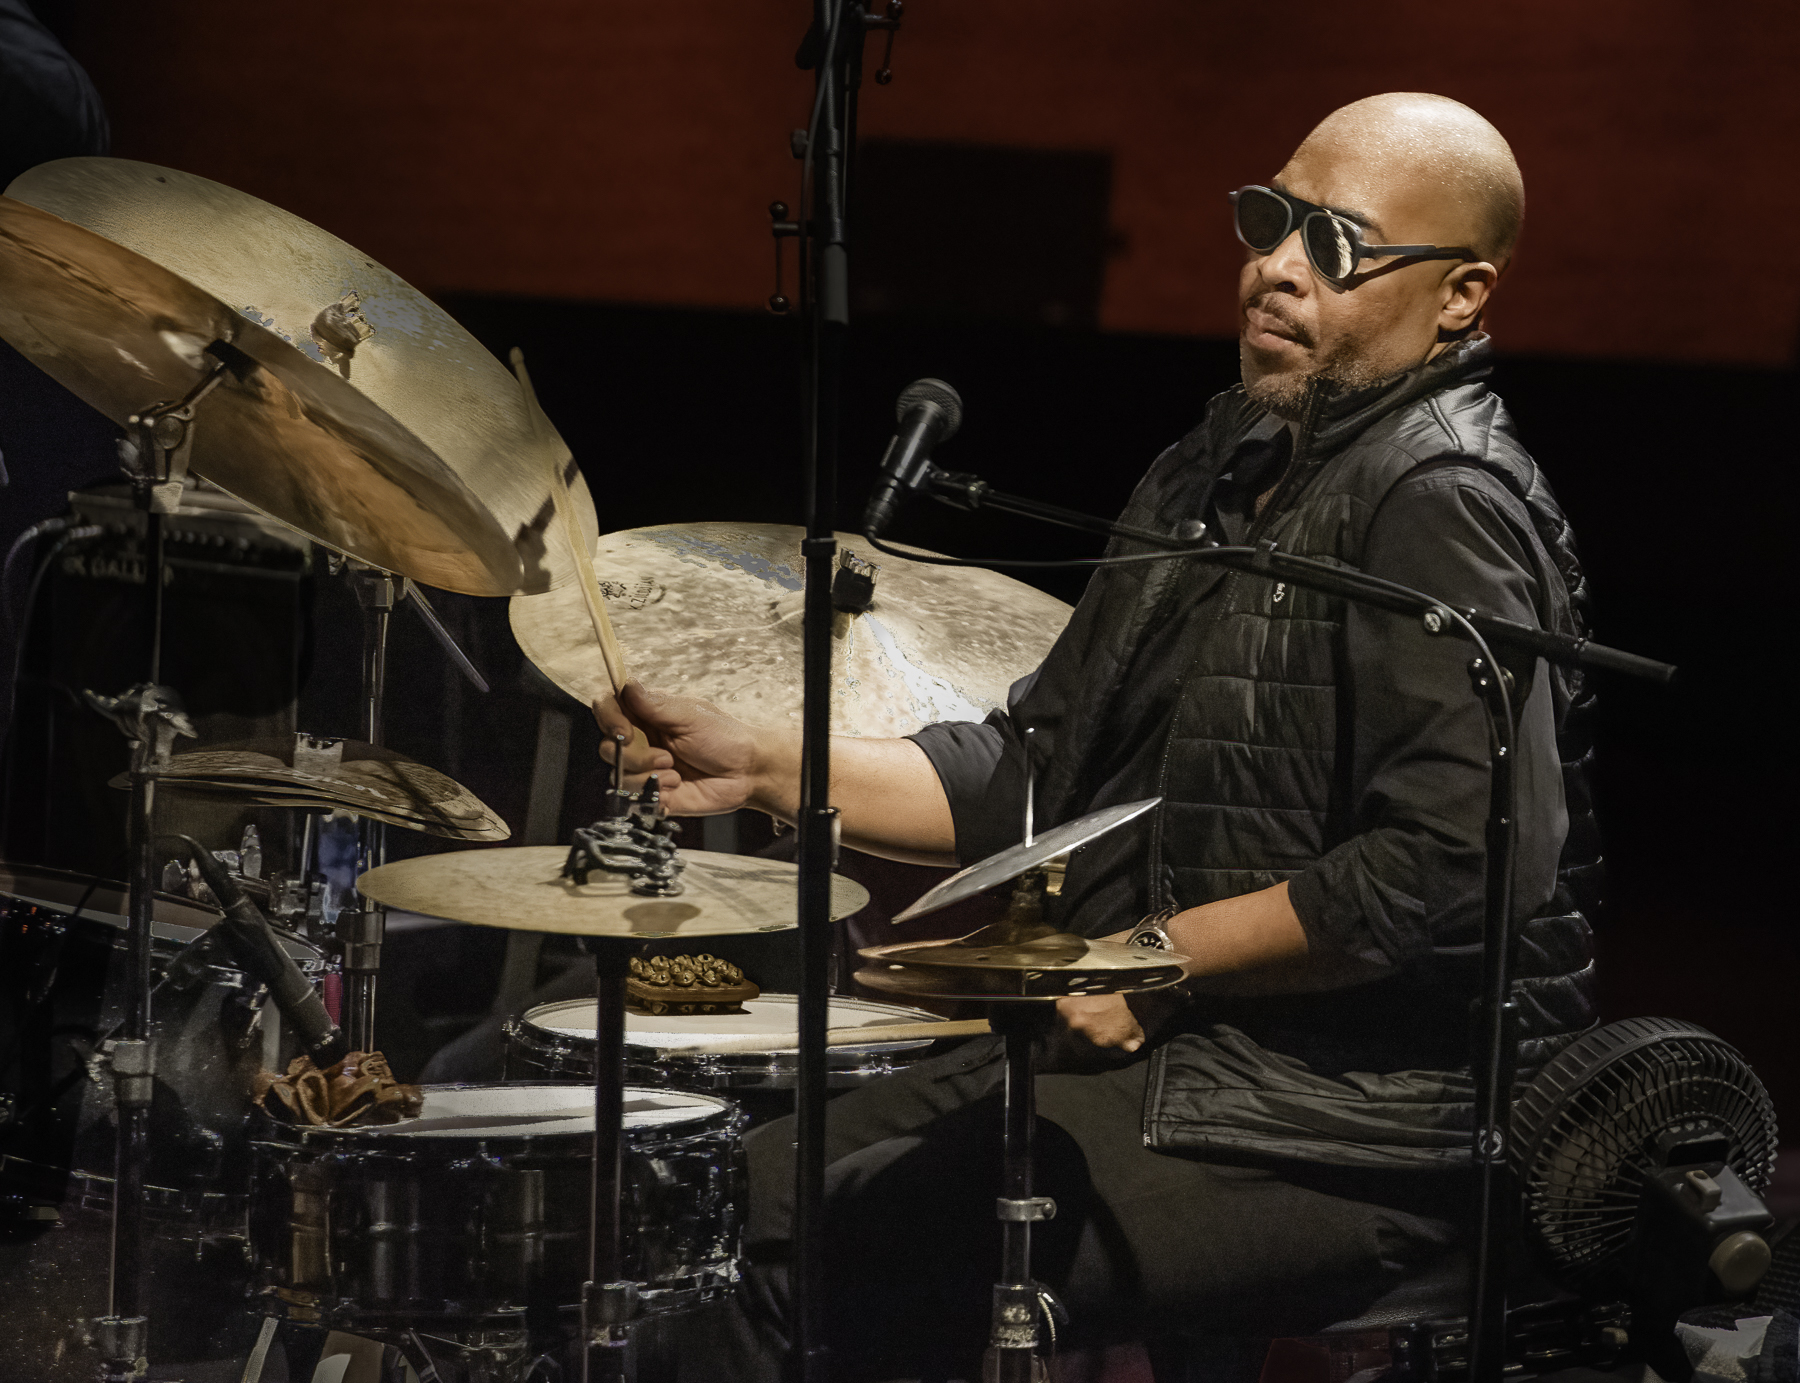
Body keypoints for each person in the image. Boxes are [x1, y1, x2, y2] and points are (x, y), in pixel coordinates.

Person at [600, 93, 1601, 1380]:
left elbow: (1454, 869)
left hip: (1370, 1126)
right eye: (1270, 221)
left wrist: (1155, 958)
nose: (1276, 266)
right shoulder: (1219, 458)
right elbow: (1041, 768)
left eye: (1335, 244)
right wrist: (771, 763)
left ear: (1462, 296)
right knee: (718, 1198)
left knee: (810, 1257)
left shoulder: (1439, 499)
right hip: (1196, 1063)